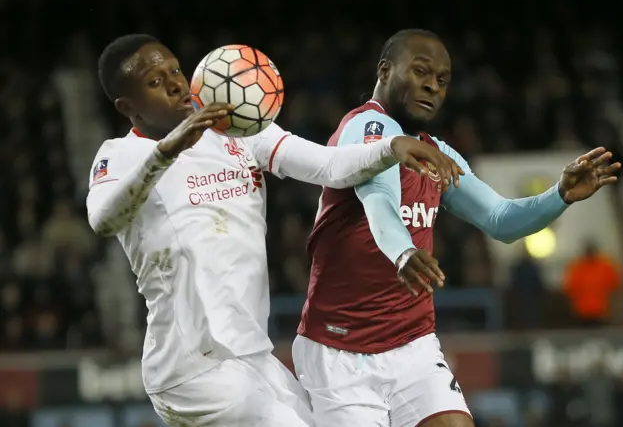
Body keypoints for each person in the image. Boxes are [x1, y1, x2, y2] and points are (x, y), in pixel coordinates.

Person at [86, 34, 456, 427]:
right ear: (128, 107)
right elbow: (103, 219)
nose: (176, 83)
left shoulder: (235, 129)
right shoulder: (120, 155)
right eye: (154, 82)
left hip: (254, 357)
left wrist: (389, 148)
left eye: (175, 70)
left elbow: (327, 165)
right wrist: (165, 153)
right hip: (190, 370)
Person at [293, 29, 621, 427]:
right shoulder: (366, 129)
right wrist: (404, 252)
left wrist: (560, 195)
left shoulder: (437, 153)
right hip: (339, 346)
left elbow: (501, 220)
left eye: (443, 80)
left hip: (410, 342)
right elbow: (378, 198)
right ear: (385, 70)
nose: (432, 85)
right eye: (420, 71)